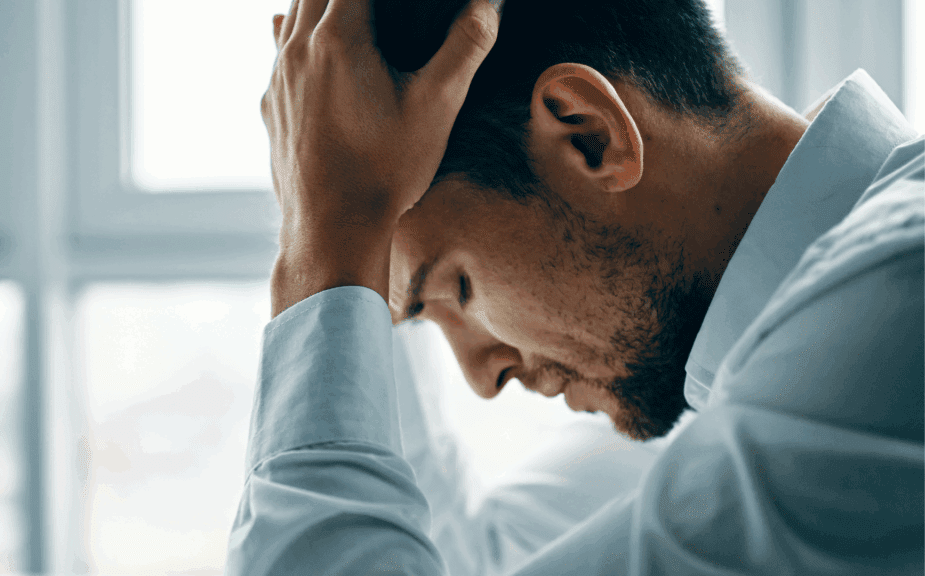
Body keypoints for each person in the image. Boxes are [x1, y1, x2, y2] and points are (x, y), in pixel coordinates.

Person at [226, 0, 924, 573]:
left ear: (589, 136)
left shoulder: (887, 318)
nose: (482, 377)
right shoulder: (760, 387)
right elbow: (478, 555)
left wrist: (327, 247)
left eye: (458, 289)